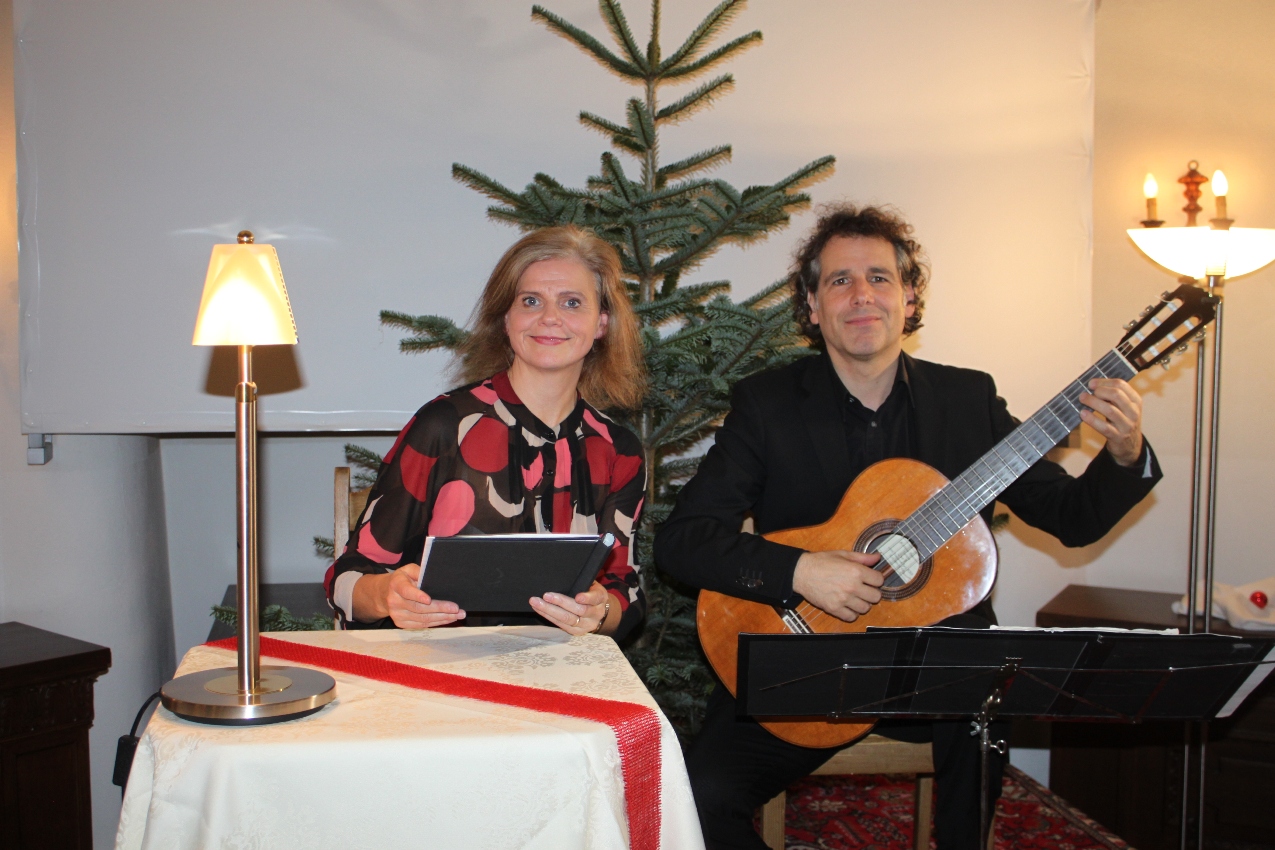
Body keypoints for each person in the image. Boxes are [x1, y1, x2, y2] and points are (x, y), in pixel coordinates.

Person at [654, 204, 1162, 849]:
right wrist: (801, 570)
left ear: (909, 297)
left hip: (935, 673)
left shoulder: (967, 401)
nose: (861, 295)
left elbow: (1071, 518)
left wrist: (1125, 454)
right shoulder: (768, 404)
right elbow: (684, 541)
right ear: (812, 306)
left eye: (880, 277)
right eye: (839, 281)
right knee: (698, 797)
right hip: (806, 656)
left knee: (984, 706)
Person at [325, 225, 648, 640]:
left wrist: (601, 611)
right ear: (506, 319)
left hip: (564, 668)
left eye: (572, 302)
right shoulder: (444, 425)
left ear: (601, 323)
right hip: (442, 667)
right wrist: (386, 595)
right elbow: (346, 581)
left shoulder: (619, 450)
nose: (550, 317)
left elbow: (627, 594)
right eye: (531, 300)